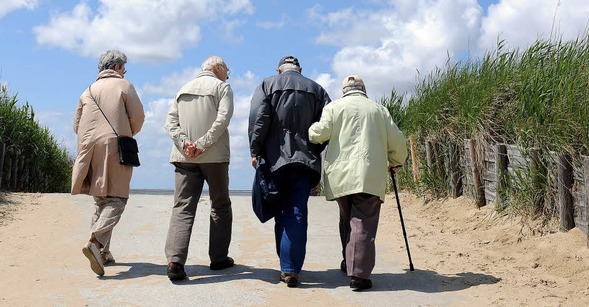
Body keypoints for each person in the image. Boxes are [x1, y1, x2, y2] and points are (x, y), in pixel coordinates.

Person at [308, 75, 407, 291]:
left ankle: (349, 262)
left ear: (344, 90)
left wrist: (309, 130)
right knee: (362, 222)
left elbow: (318, 134)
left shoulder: (334, 108)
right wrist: (397, 161)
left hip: (340, 177)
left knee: (348, 219)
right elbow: (397, 141)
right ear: (364, 89)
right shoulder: (378, 110)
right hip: (369, 175)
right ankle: (359, 276)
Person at [248, 56, 331, 287]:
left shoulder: (267, 85)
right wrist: (315, 148)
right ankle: (291, 268)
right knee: (297, 212)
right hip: (306, 161)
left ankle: (286, 266)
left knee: (280, 209)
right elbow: (327, 125)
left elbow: (259, 119)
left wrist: (255, 150)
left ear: (279, 69)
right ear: (300, 70)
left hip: (275, 160)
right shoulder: (317, 89)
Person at [71, 49, 145, 276]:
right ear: (115, 67)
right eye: (123, 67)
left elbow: (76, 125)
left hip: (89, 150)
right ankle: (95, 240)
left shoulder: (88, 90)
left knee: (101, 200)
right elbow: (139, 117)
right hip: (115, 148)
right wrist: (126, 131)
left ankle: (103, 253)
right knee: (118, 199)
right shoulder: (125, 86)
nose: (124, 72)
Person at [164, 55, 234, 281]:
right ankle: (218, 258)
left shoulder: (182, 88)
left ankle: (175, 261)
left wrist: (185, 144)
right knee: (220, 206)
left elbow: (170, 123)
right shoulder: (222, 88)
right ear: (217, 68)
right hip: (214, 157)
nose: (228, 75)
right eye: (227, 70)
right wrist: (202, 145)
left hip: (184, 156)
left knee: (182, 207)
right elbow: (223, 120)